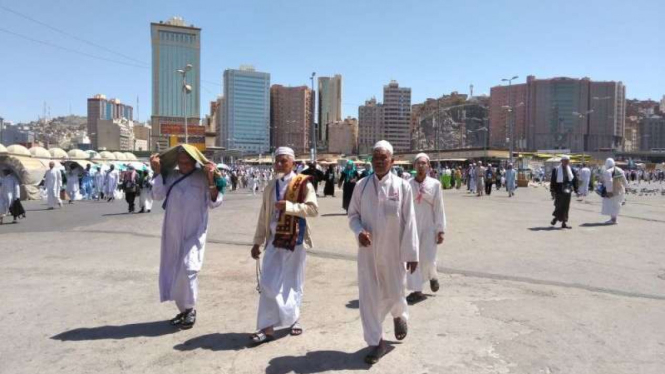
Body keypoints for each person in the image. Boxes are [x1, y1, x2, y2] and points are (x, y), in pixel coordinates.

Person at [348, 140, 419, 365]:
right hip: (367, 253)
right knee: (368, 298)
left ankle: (399, 315)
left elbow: (409, 222)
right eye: (375, 158)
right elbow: (352, 215)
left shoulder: (402, 186)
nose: (378, 162)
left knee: (396, 292)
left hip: (393, 252)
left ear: (392, 161)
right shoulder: (361, 186)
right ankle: (376, 342)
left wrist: (412, 253)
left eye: (383, 158)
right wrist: (359, 231)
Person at [249, 147, 318, 344]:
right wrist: (257, 241)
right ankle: (266, 327)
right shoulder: (271, 186)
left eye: (284, 161)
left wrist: (289, 207)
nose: (279, 164)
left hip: (296, 240)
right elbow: (264, 215)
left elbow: (313, 209)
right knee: (268, 283)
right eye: (277, 161)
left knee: (293, 282)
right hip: (274, 240)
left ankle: (294, 319)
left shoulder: (302, 183)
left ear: (293, 163)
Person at [150, 145, 223, 330]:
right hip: (173, 231)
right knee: (175, 269)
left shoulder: (204, 177)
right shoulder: (171, 176)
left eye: (187, 162)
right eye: (180, 162)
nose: (183, 166)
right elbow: (157, 196)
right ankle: (183, 310)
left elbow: (215, 202)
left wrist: (210, 179)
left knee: (189, 267)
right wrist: (158, 172)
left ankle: (190, 309)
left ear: (194, 161)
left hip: (195, 231)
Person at [406, 153, 446, 304]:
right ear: (414, 166)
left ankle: (433, 275)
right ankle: (417, 290)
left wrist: (440, 229)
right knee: (414, 258)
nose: (421, 165)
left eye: (424, 163)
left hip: (429, 226)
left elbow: (439, 208)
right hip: (412, 227)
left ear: (429, 166)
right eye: (418, 163)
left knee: (429, 257)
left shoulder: (435, 184)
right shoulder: (407, 184)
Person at [550, 156, 578, 229]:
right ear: (561, 161)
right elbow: (553, 180)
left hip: (568, 190)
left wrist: (576, 189)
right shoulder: (556, 170)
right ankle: (556, 218)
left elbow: (575, 180)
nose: (566, 162)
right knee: (558, 206)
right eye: (565, 161)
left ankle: (564, 223)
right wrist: (552, 190)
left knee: (566, 207)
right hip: (559, 190)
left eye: (567, 161)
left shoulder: (571, 170)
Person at [601, 158, 629, 224]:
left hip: (614, 191)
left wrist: (609, 191)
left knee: (612, 205)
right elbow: (624, 180)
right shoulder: (620, 170)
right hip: (621, 190)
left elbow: (609, 182)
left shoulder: (608, 172)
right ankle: (614, 219)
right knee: (617, 205)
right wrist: (627, 187)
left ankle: (613, 219)